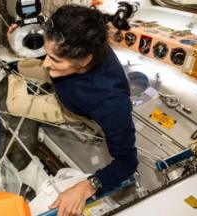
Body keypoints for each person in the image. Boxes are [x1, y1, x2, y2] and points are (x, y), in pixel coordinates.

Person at [8, 3, 138, 216]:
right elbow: (49, 60)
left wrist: (86, 186)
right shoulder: (83, 38)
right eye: (47, 53)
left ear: (86, 60)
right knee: (21, 66)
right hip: (65, 82)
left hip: (70, 107)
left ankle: (15, 74)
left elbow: (127, 162)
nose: (46, 63)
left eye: (56, 59)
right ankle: (16, 70)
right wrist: (18, 40)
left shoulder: (110, 103)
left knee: (14, 104)